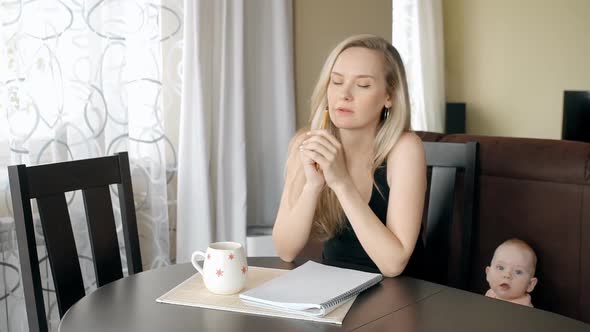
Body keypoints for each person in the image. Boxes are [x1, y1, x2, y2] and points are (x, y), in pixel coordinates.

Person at [272, 34, 426, 278]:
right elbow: (286, 251)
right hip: (335, 293)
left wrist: (341, 182)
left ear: (389, 96)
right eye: (336, 81)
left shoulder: (405, 149)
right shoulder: (306, 143)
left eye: (363, 85)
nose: (344, 94)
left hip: (399, 297)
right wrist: (313, 185)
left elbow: (393, 265)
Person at [485, 238, 538, 307]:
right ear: (488, 274)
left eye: (518, 272)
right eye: (501, 268)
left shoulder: (525, 309)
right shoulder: (490, 293)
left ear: (530, 284)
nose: (507, 275)